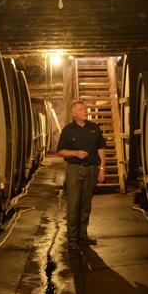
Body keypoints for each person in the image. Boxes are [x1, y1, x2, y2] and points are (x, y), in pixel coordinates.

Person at [56, 100, 106, 250]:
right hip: (74, 169)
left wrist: (102, 169)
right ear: (74, 114)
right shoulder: (68, 130)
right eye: (81, 109)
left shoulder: (94, 128)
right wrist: (75, 153)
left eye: (85, 109)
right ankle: (72, 238)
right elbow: (60, 151)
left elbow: (101, 149)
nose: (85, 111)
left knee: (86, 204)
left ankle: (83, 236)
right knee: (74, 204)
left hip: (91, 169)